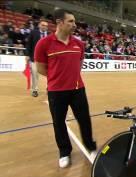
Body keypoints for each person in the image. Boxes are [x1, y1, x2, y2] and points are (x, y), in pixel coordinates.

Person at [34, 9, 96, 168]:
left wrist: (70, 78)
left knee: (84, 119)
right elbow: (40, 68)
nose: (74, 25)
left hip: (78, 89)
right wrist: (57, 78)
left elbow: (79, 65)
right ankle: (64, 152)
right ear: (59, 23)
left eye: (74, 22)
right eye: (71, 21)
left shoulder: (79, 44)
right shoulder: (43, 44)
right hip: (56, 91)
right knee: (59, 122)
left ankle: (90, 146)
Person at [25, 19, 49, 97]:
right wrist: (27, 55)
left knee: (49, 75)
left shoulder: (49, 34)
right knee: (35, 74)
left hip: (47, 59)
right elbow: (29, 44)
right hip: (34, 58)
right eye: (43, 25)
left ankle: (49, 88)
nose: (44, 27)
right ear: (39, 25)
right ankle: (35, 90)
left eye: (46, 25)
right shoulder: (33, 32)